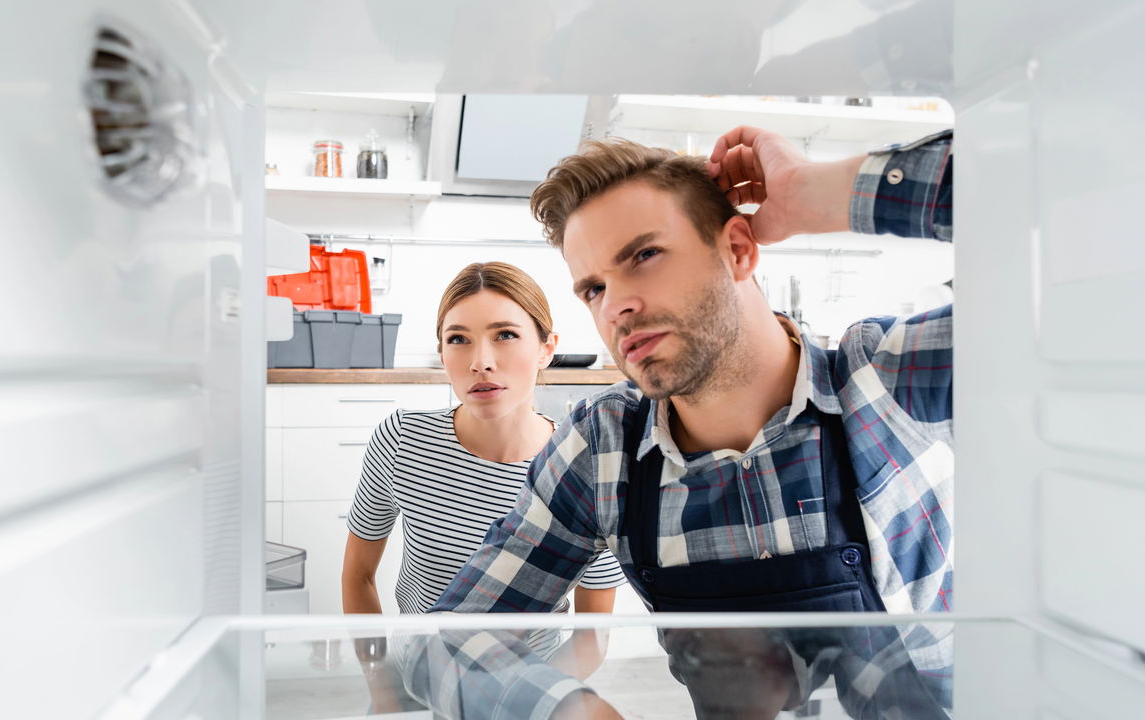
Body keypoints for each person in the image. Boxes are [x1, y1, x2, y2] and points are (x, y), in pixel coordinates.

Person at [408, 126, 955, 720]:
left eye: (643, 256)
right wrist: (569, 712)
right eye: (594, 288)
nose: (616, 306)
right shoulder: (602, 449)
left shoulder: (884, 378)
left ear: (739, 250)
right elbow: (444, 648)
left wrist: (822, 191)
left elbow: (1057, 211)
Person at [341, 261, 626, 712]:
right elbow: (358, 576)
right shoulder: (402, 441)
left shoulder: (583, 469)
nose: (481, 362)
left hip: (526, 694)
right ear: (442, 351)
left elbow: (592, 635)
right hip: (420, 679)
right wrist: (382, 685)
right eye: (458, 339)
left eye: (506, 335)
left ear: (547, 348)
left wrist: (516, 700)